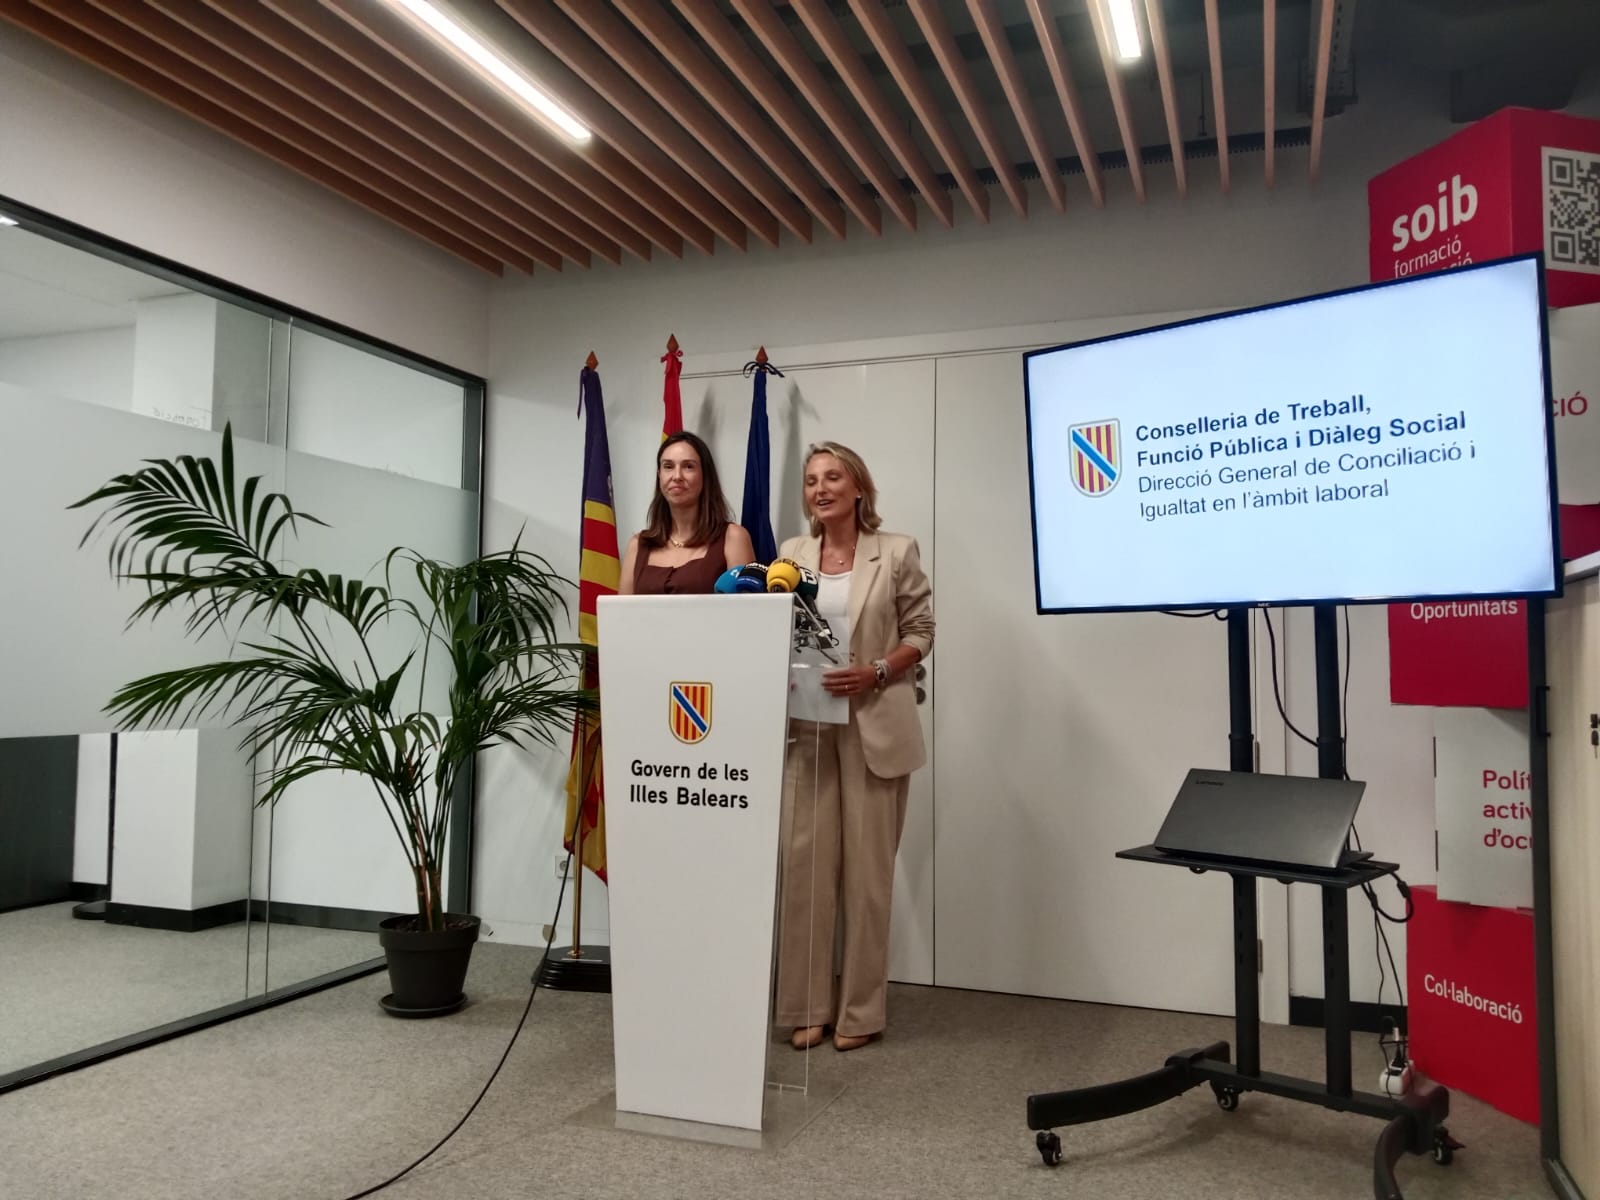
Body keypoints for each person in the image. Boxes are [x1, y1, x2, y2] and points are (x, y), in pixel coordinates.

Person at [774, 441, 934, 1052]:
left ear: (858, 486)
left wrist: (877, 671)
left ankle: (861, 1012)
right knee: (806, 872)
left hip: (875, 727)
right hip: (809, 729)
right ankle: (806, 1006)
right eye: (812, 480)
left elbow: (922, 631)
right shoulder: (790, 554)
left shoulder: (896, 551)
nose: (821, 488)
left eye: (833, 477)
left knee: (867, 880)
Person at [619, 431, 754, 595]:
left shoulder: (733, 537)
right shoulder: (637, 545)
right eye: (668, 467)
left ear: (705, 475)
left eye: (688, 466)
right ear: (659, 475)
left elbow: (745, 609)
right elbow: (621, 610)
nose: (677, 476)